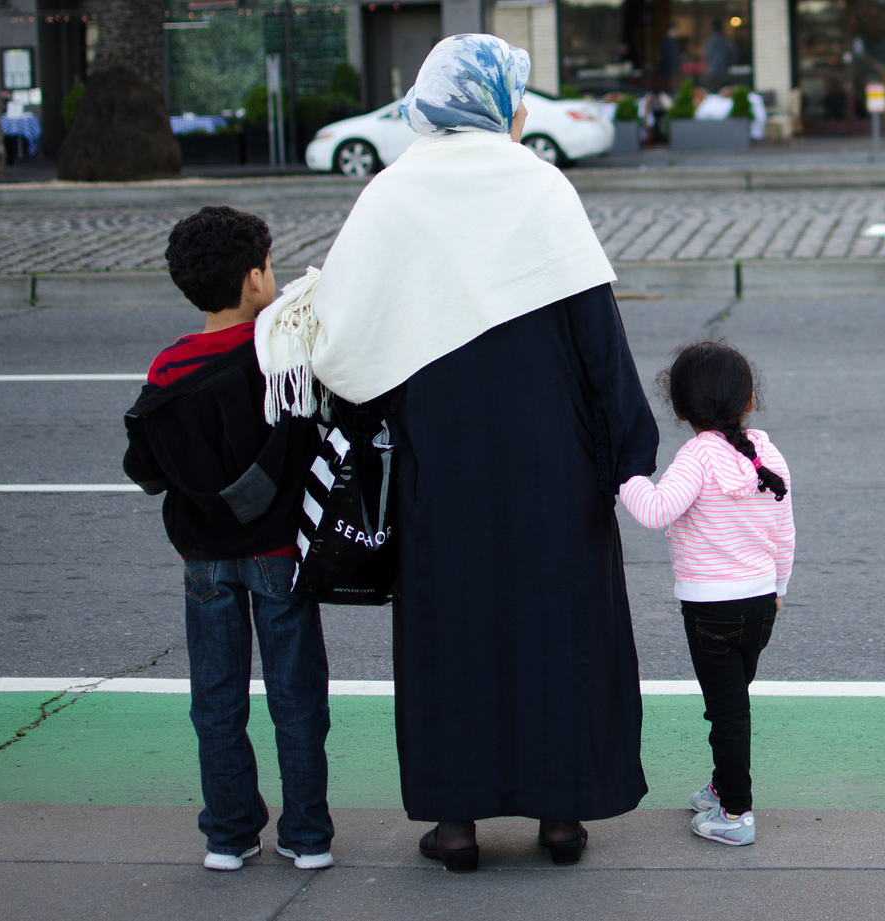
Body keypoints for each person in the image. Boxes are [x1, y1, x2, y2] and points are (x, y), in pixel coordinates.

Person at [254, 34, 658, 872]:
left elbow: (346, 343)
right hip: (555, 462)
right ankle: (560, 817)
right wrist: (626, 450)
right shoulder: (540, 186)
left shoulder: (393, 194)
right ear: (499, 101)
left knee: (452, 636)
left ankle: (457, 824)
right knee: (561, 630)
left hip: (440, 463)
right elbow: (597, 335)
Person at [123, 206, 334, 872]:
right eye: (270, 265)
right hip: (279, 553)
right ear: (253, 280)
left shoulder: (167, 370)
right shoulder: (282, 360)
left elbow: (145, 468)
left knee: (216, 697)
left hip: (204, 560)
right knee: (297, 696)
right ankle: (306, 835)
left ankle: (229, 833)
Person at [618, 340, 794, 847]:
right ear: (749, 399)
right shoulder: (767, 450)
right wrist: (779, 585)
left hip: (710, 608)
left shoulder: (696, 456)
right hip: (762, 604)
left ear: (678, 409)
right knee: (732, 703)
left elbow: (655, 511)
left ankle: (736, 813)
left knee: (727, 710)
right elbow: (784, 530)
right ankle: (722, 786)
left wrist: (623, 476)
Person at [703, 20, 737, 93]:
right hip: (723, 70)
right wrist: (730, 63)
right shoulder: (725, 40)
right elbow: (734, 54)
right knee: (724, 93)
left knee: (713, 93)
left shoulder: (710, 41)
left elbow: (706, 55)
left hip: (712, 71)